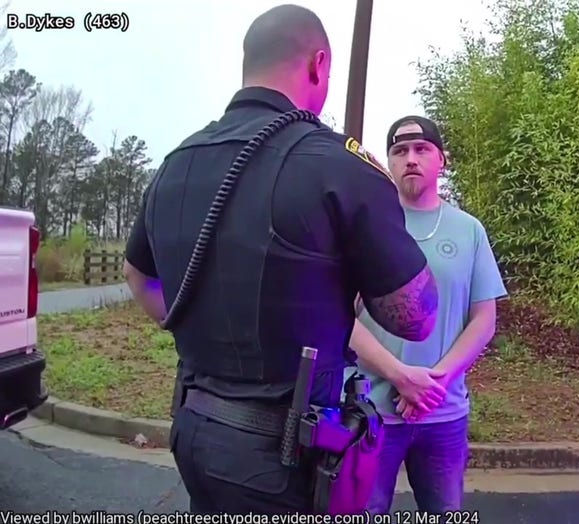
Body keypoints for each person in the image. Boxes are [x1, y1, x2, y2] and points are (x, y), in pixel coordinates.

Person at [121, 5, 439, 514]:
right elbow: (417, 317)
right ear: (318, 65)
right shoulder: (341, 165)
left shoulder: (177, 162)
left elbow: (138, 274)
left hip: (193, 431)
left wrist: (200, 329)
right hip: (285, 459)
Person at [348, 115, 507, 514]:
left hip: (444, 413)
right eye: (400, 151)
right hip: (370, 415)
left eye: (422, 149)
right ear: (389, 163)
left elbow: (483, 319)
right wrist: (401, 376)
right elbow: (341, 319)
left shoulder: (469, 231)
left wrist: (434, 383)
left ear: (442, 161)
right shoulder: (363, 228)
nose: (411, 159)